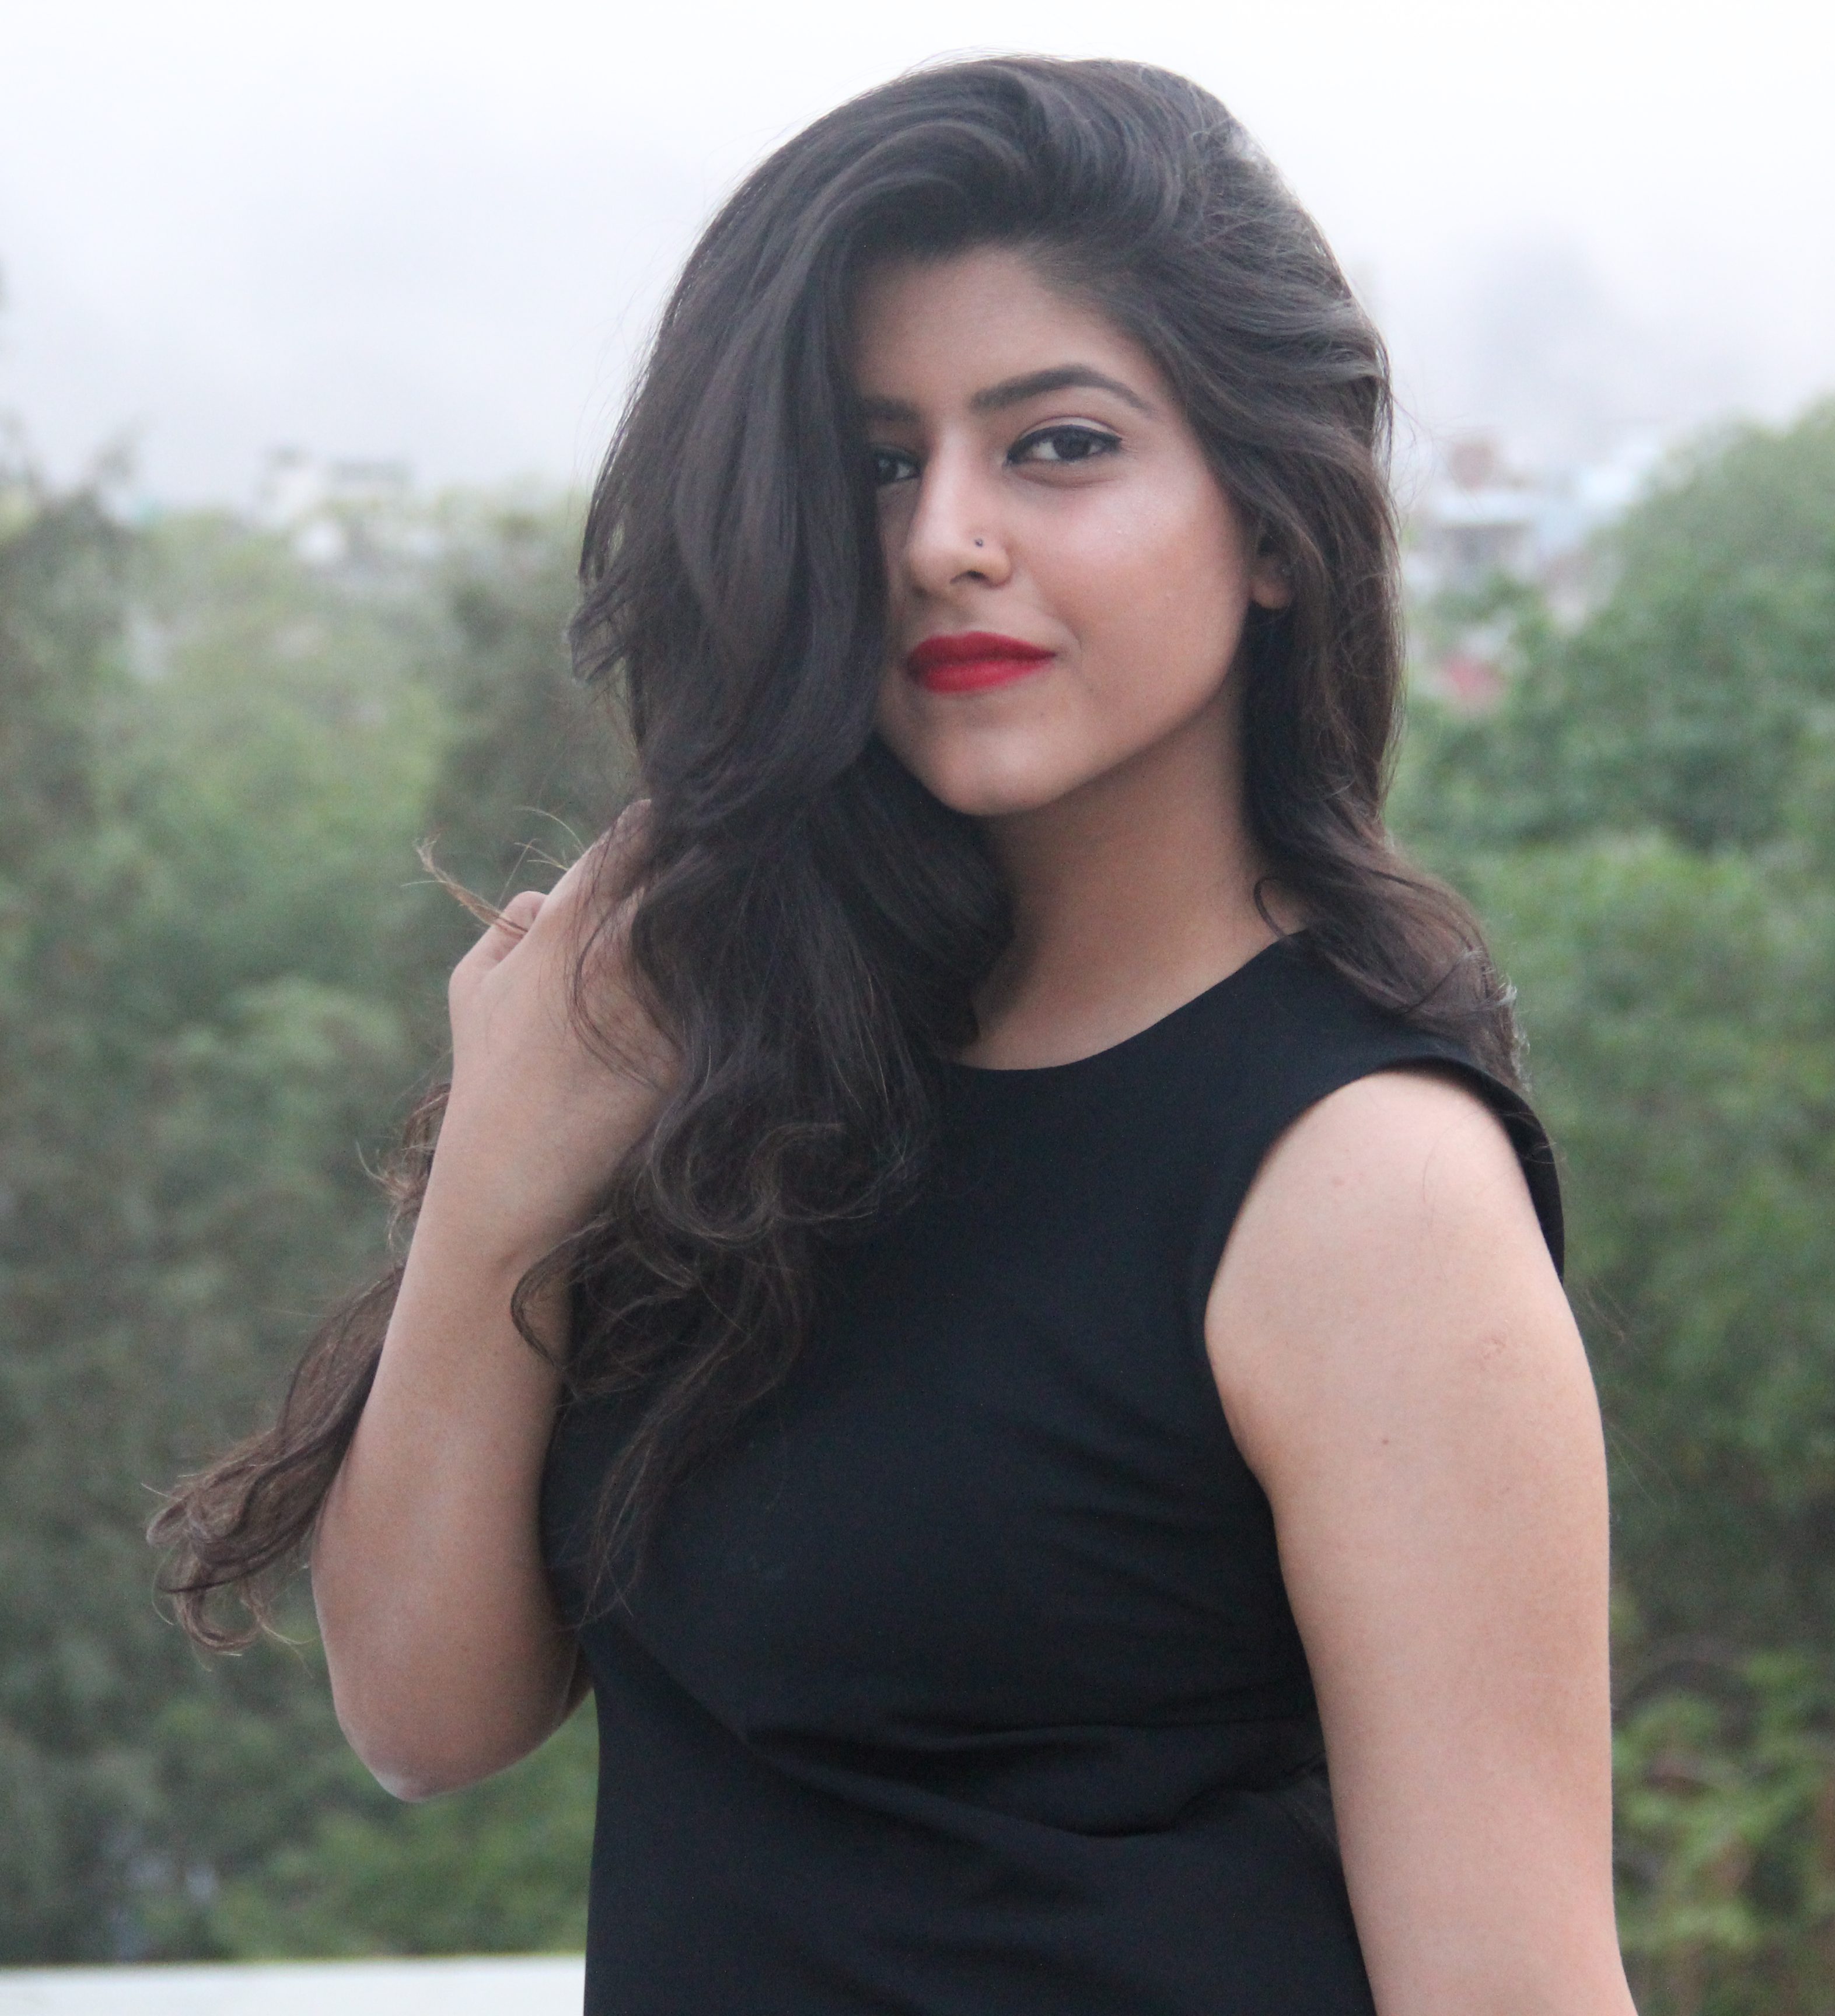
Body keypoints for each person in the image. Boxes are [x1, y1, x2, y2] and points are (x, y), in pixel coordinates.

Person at [157, 55, 1635, 2016]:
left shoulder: (1361, 1184)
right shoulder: (731, 1054)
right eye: (872, 462)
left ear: (1270, 520)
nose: (942, 536)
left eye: (1058, 446)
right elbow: (424, 1712)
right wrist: (505, 1171)